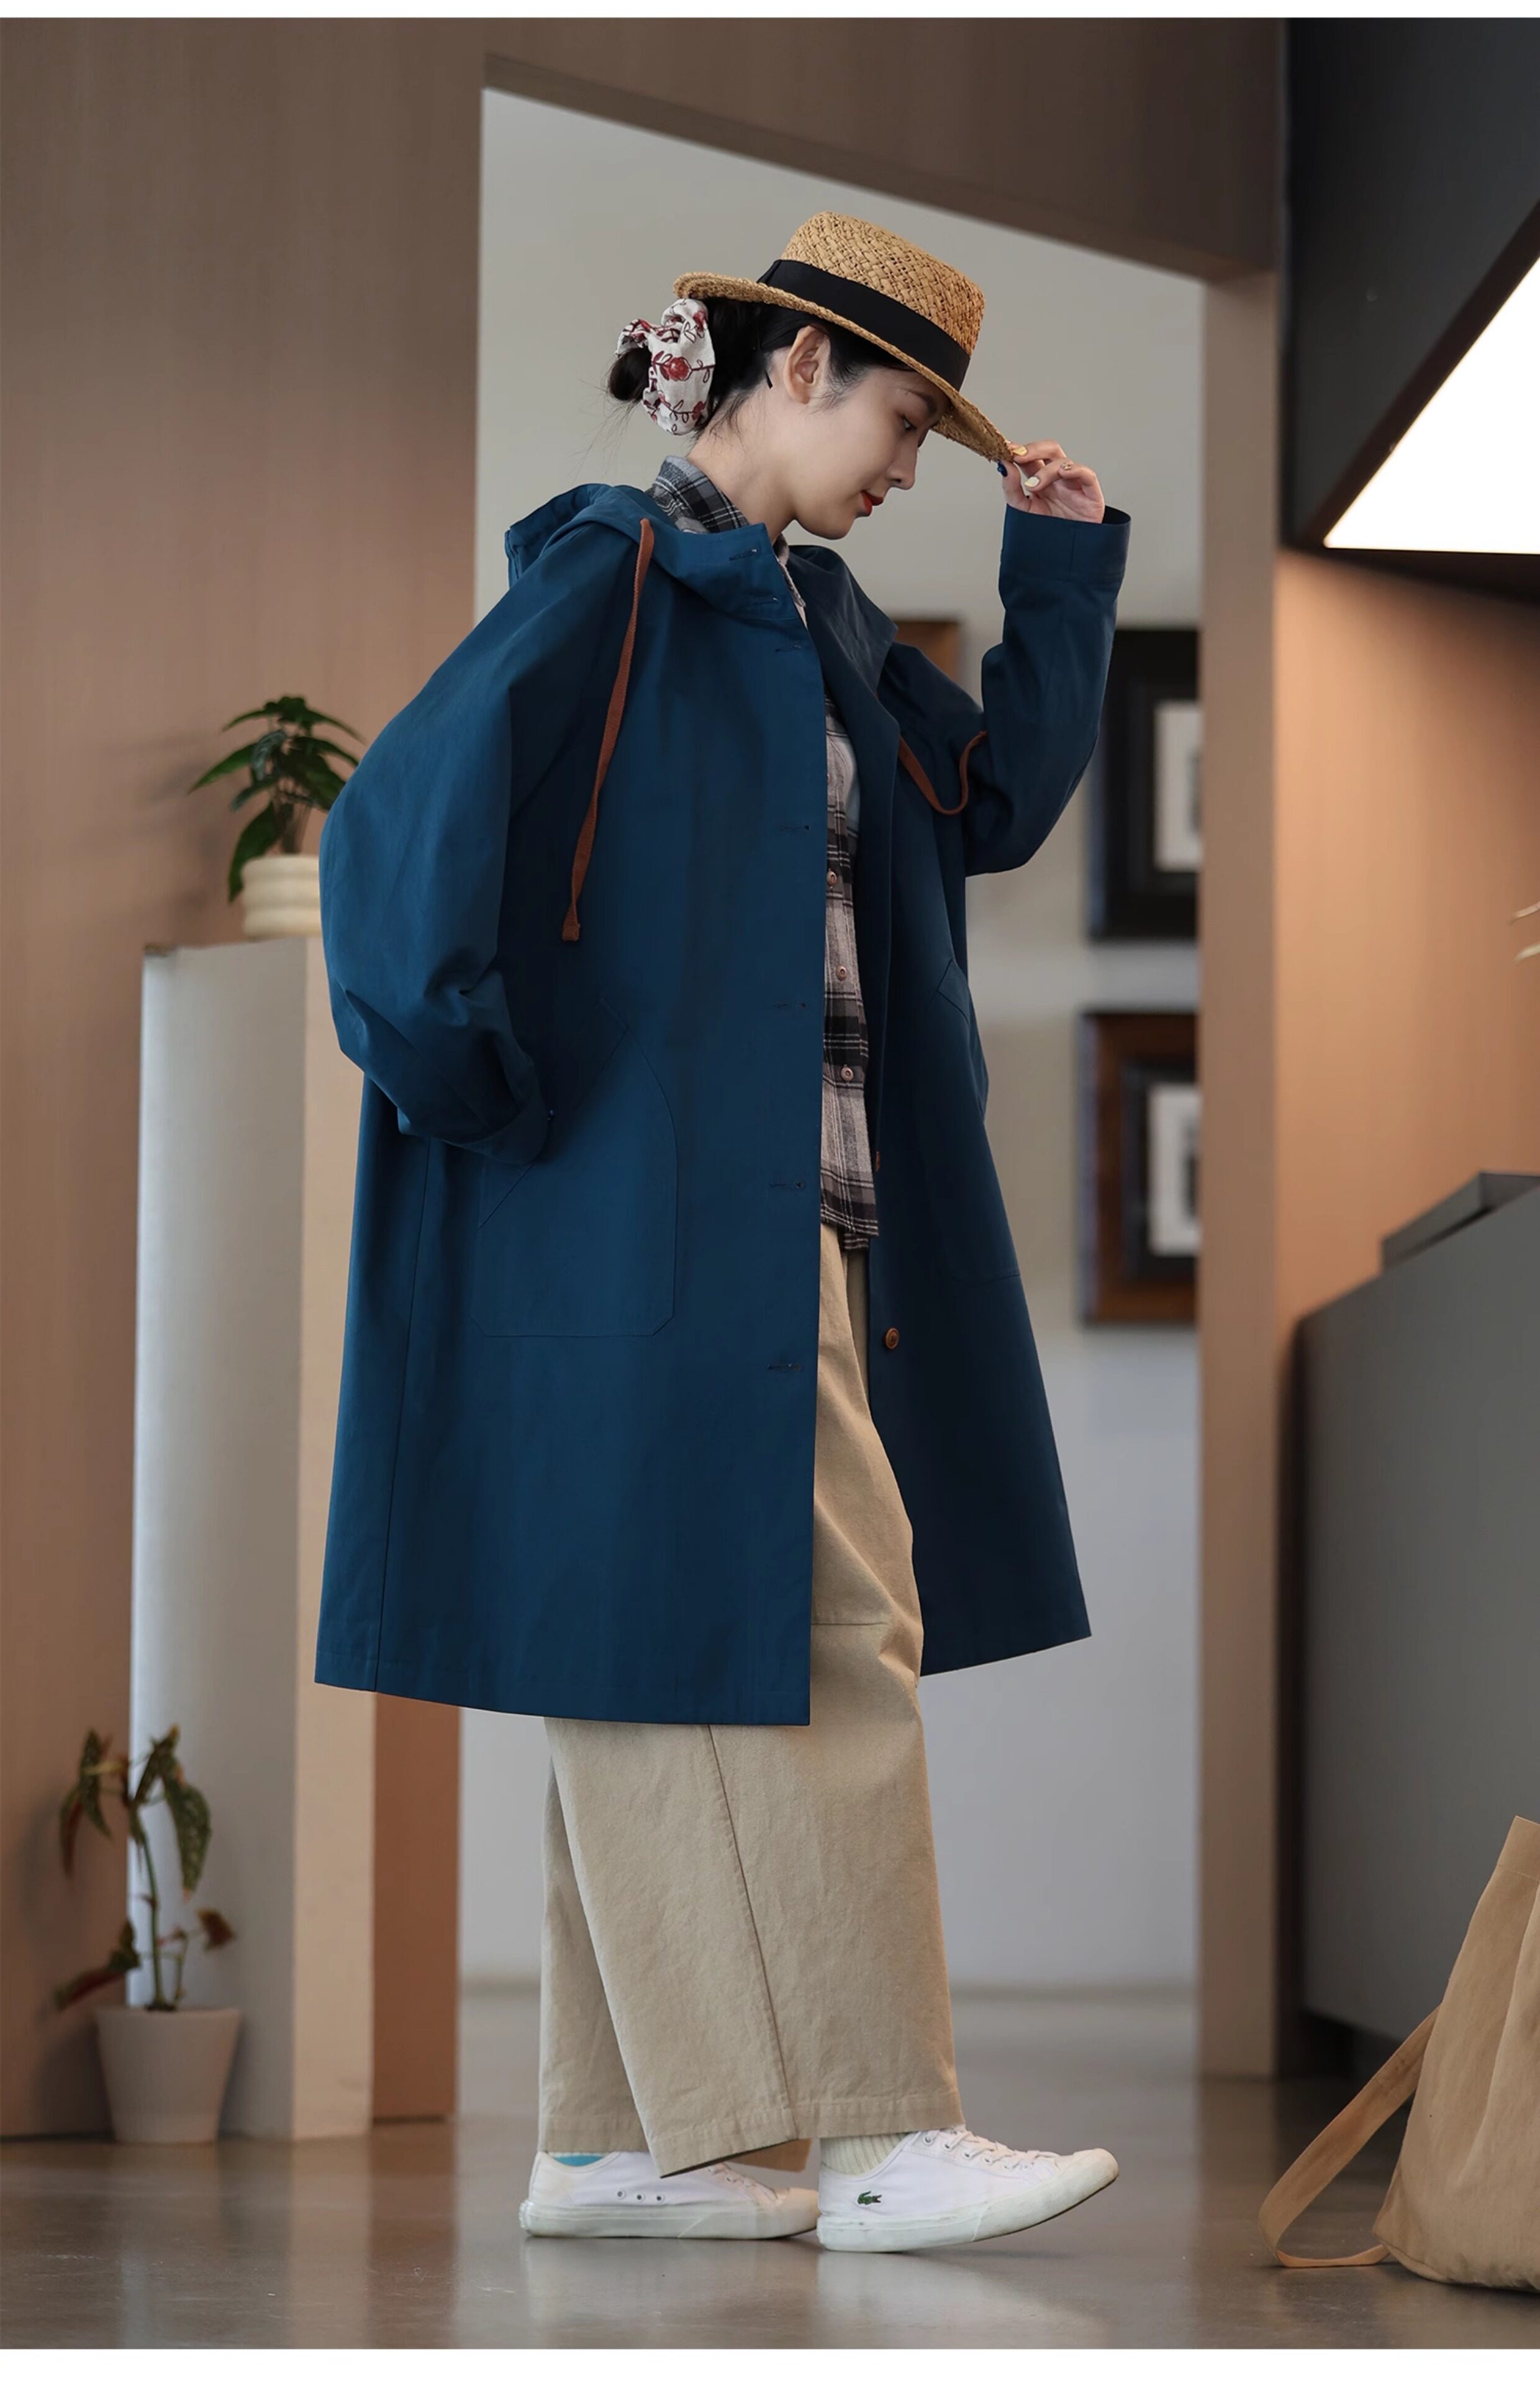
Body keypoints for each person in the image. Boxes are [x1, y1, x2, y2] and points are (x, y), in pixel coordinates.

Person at [315, 211, 1131, 2255]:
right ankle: (881, 2128)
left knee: (650, 1638)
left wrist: (1057, 572)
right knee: (827, 1629)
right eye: (903, 420)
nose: (910, 464)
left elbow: (989, 804)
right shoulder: (614, 580)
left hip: (797, 1226)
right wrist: (500, 1111)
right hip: (675, 1233)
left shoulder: (817, 619)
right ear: (797, 369)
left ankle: (617, 2148)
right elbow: (392, 840)